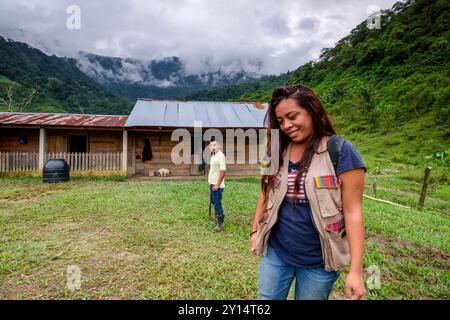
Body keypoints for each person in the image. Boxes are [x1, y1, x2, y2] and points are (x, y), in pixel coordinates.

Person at [250, 84, 367, 300]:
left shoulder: (340, 151)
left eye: (292, 116)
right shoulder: (274, 150)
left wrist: (356, 271)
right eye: (280, 121)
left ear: (312, 111)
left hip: (319, 262)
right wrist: (255, 230)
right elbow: (265, 192)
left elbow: (353, 213)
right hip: (276, 253)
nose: (286, 125)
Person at [208, 140, 226, 232]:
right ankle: (217, 218)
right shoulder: (213, 155)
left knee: (217, 204)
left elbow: (223, 172)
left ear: (219, 146)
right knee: (213, 202)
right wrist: (209, 181)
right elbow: (212, 170)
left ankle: (219, 223)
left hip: (217, 186)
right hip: (212, 183)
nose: (212, 147)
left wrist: (217, 185)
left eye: (214, 145)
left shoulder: (221, 156)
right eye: (211, 145)